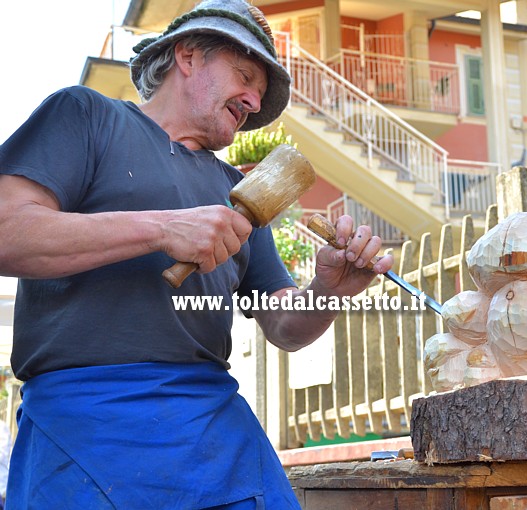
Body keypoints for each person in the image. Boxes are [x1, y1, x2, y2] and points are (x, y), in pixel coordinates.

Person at [0, 0, 393, 508]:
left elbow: (284, 326)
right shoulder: (86, 115)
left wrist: (327, 291)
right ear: (187, 55)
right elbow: (7, 231)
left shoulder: (238, 192)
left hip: (211, 421)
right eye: (245, 76)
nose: (253, 100)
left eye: (259, 93)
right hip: (85, 415)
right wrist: (162, 229)